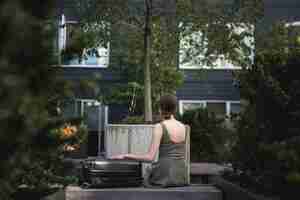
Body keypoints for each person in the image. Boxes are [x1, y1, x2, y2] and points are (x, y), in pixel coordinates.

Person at [110, 94, 188, 187]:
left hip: (166, 175)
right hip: (181, 174)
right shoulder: (183, 127)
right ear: (175, 109)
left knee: (147, 174)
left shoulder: (160, 126)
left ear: (160, 109)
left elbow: (150, 157)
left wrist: (125, 155)